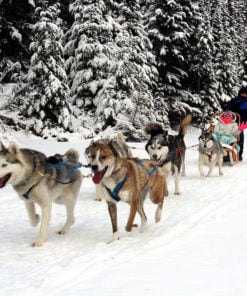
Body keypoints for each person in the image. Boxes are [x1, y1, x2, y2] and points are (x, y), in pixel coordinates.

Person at [228, 86, 247, 160]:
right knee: (237, 137)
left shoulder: (235, 100)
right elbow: (228, 108)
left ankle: (237, 153)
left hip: (239, 122)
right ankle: (235, 153)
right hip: (237, 122)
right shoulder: (235, 100)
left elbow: (228, 108)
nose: (244, 95)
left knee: (238, 137)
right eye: (243, 93)